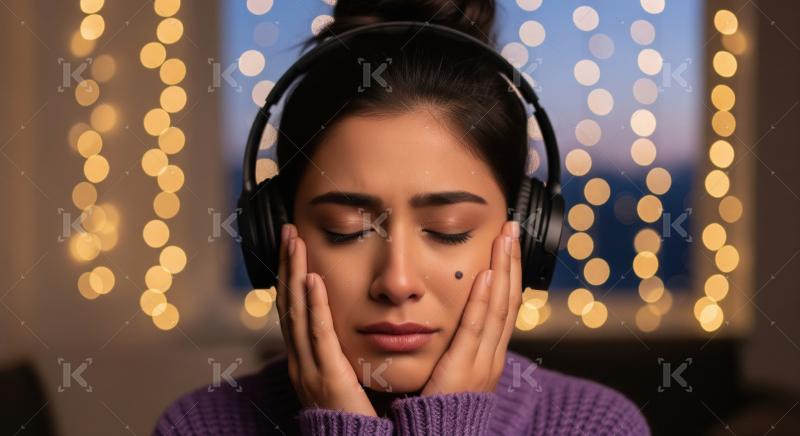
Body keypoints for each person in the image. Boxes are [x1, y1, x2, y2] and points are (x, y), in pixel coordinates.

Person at [154, 0, 651, 434]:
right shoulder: (199, 426)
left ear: (524, 234)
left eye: (447, 231)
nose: (397, 281)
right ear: (274, 234)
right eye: (344, 230)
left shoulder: (595, 425)